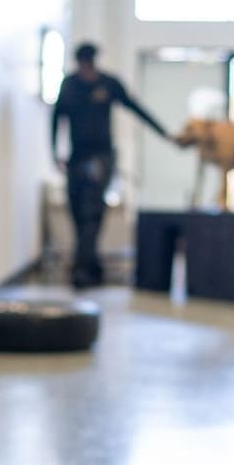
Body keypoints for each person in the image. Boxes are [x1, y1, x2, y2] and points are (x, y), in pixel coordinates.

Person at [52, 42, 172, 289]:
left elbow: (135, 107)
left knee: (91, 211)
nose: (86, 68)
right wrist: (54, 153)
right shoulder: (70, 86)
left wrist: (164, 133)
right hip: (77, 158)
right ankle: (92, 265)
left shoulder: (108, 84)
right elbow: (56, 119)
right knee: (77, 212)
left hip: (101, 158)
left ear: (95, 61)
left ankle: (82, 271)